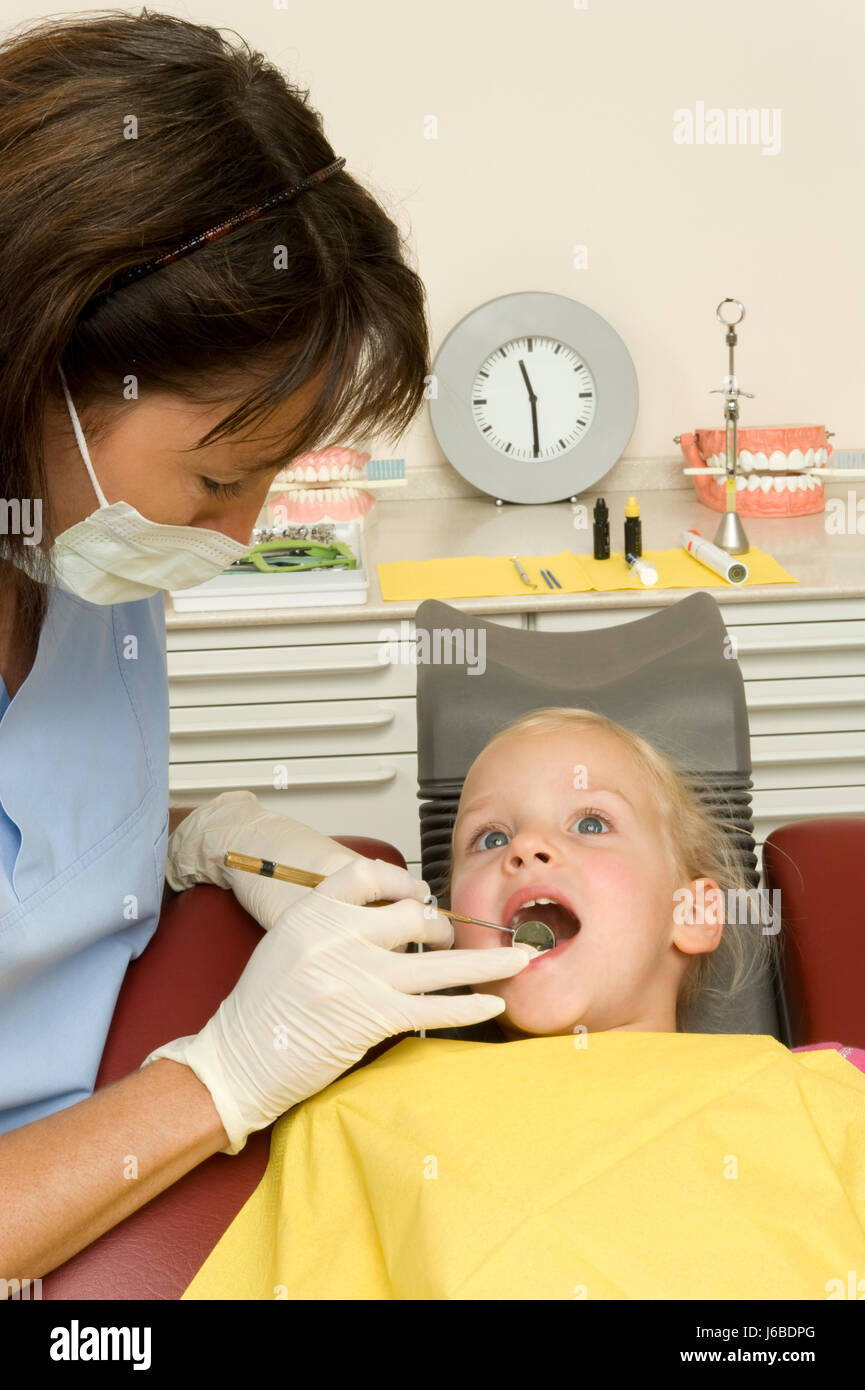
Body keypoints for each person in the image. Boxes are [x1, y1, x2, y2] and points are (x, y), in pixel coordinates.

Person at [0, 10, 529, 1281]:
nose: (237, 536)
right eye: (222, 475)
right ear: (33, 372)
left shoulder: (79, 546)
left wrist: (202, 833)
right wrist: (222, 1076)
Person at [180, 706, 865, 1299]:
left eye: (591, 823)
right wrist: (229, 831)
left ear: (692, 911)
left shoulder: (824, 1094)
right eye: (490, 838)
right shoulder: (354, 1103)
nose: (528, 849)